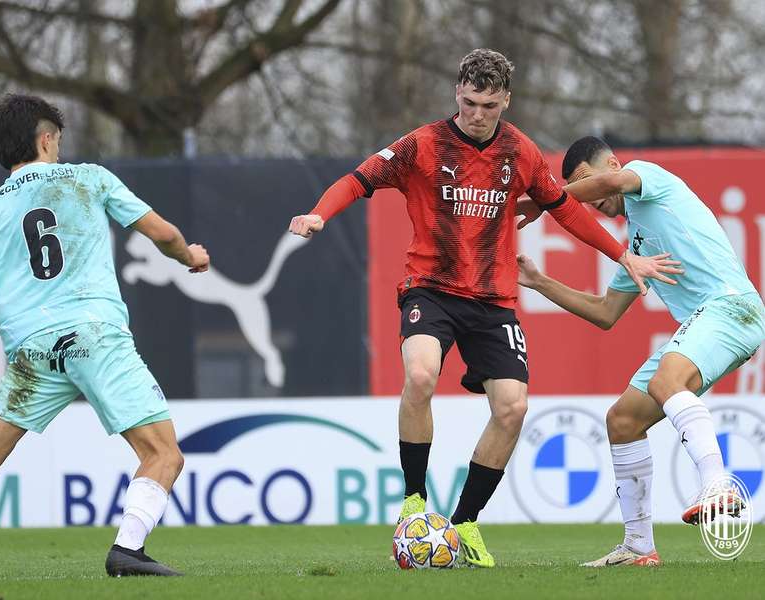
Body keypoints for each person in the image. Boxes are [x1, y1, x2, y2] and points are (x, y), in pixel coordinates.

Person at [288, 50, 679, 568]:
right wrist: (319, 214)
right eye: (470, 102)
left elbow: (564, 209)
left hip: (493, 300)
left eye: (489, 105)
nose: (477, 114)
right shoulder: (423, 145)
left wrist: (621, 254)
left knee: (513, 408)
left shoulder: (520, 151)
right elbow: (358, 179)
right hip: (430, 288)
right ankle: (413, 500)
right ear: (457, 93)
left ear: (505, 101)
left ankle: (465, 523)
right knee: (422, 375)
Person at [0, 94, 209, 580]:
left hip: (33, 353)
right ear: (46, 139)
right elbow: (162, 233)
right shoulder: (89, 178)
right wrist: (188, 256)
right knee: (163, 453)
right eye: (58, 140)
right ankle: (128, 549)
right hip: (95, 336)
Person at [516, 135, 763, 567]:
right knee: (624, 420)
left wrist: (548, 199)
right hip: (708, 321)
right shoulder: (636, 244)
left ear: (612, 164)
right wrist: (539, 283)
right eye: (579, 190)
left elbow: (610, 183)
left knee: (668, 380)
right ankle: (638, 547)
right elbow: (605, 312)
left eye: (588, 182)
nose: (591, 199)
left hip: (731, 307)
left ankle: (718, 483)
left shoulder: (650, 176)